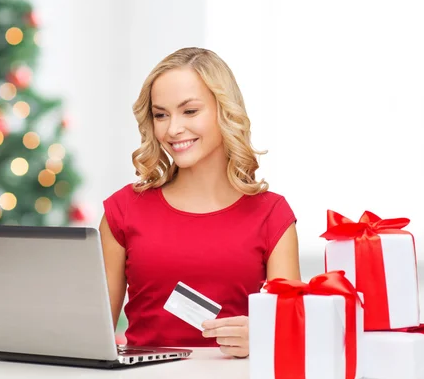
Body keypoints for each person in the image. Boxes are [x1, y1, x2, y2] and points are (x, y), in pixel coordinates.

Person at [100, 47, 300, 358]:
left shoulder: (271, 215)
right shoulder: (122, 211)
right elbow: (94, 336)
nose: (172, 129)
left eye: (189, 111)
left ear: (225, 110)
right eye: (160, 115)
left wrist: (266, 337)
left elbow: (292, 336)